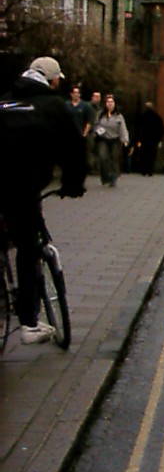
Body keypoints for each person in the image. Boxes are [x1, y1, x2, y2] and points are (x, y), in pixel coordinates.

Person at [0, 57, 86, 344]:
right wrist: (73, 184)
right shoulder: (52, 106)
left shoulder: (4, 101)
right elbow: (73, 149)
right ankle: (29, 323)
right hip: (20, 187)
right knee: (28, 248)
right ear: (52, 80)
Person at [93, 93, 130, 187]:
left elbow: (122, 128)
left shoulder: (118, 116)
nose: (110, 104)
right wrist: (97, 131)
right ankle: (105, 177)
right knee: (103, 157)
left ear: (114, 104)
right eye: (108, 102)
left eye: (111, 102)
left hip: (115, 139)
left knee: (114, 158)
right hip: (103, 139)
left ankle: (113, 177)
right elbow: (95, 125)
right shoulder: (101, 114)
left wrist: (125, 140)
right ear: (105, 104)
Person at [134, 101, 164, 176]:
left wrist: (138, 138)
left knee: (144, 155)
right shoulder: (156, 117)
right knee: (152, 155)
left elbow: (138, 128)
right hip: (153, 140)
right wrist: (159, 139)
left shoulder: (143, 116)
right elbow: (161, 129)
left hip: (145, 139)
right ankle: (150, 170)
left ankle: (144, 170)